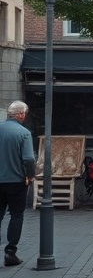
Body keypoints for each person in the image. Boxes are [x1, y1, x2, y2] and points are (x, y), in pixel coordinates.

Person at [0, 101, 35, 267]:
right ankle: (10, 251)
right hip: (16, 182)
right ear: (21, 115)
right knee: (16, 215)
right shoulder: (24, 133)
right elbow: (28, 158)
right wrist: (30, 175)